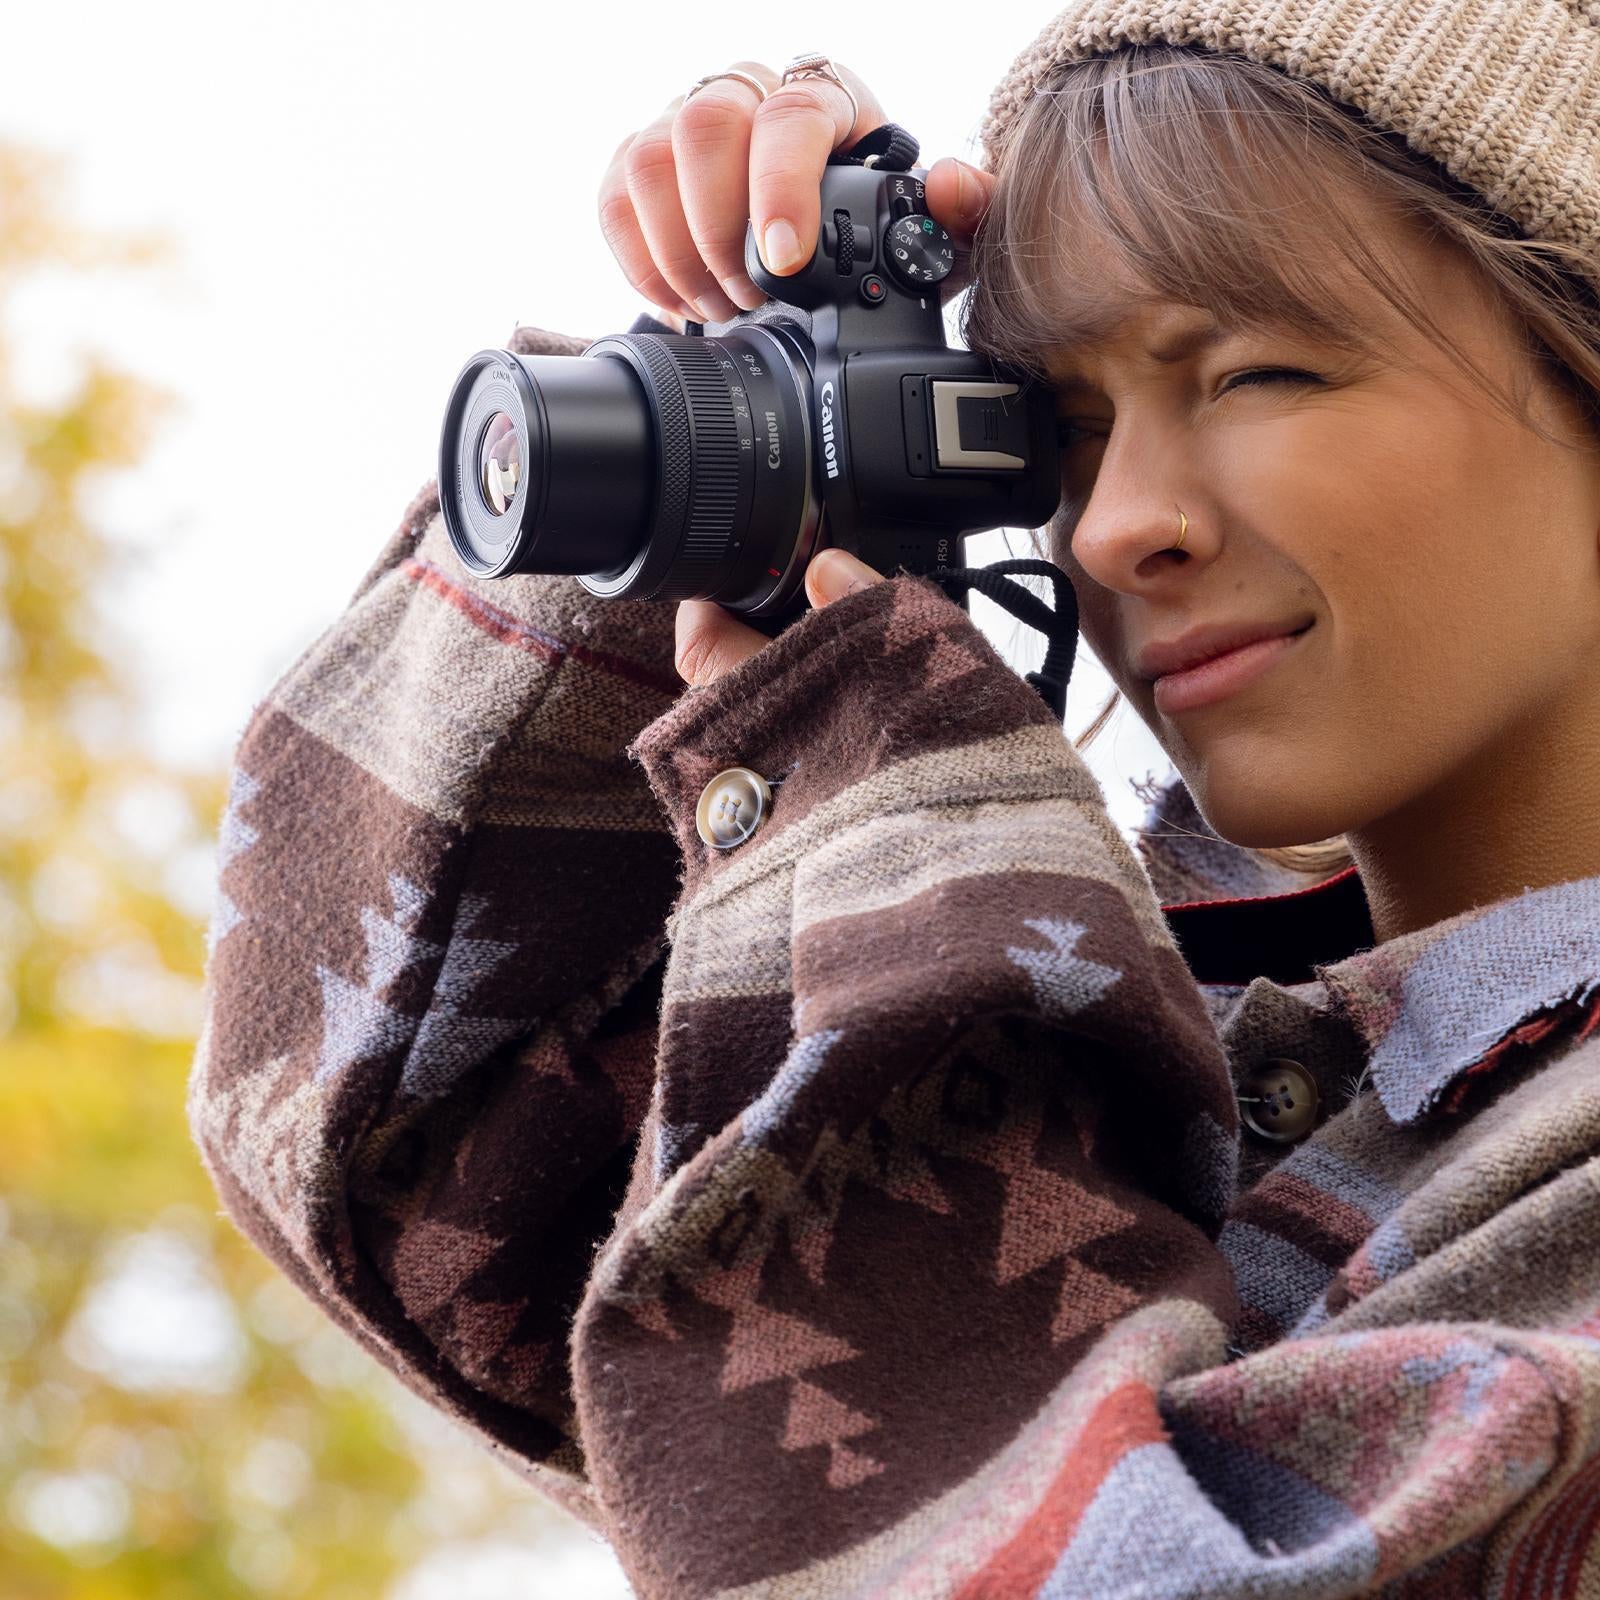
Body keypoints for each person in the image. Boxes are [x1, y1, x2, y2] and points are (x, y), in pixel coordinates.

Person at [186, 6, 1600, 1596]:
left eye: (1262, 371)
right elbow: (392, 1158)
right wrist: (751, 427)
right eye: (1059, 427)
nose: (1114, 526)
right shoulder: (1156, 1045)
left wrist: (876, 832)